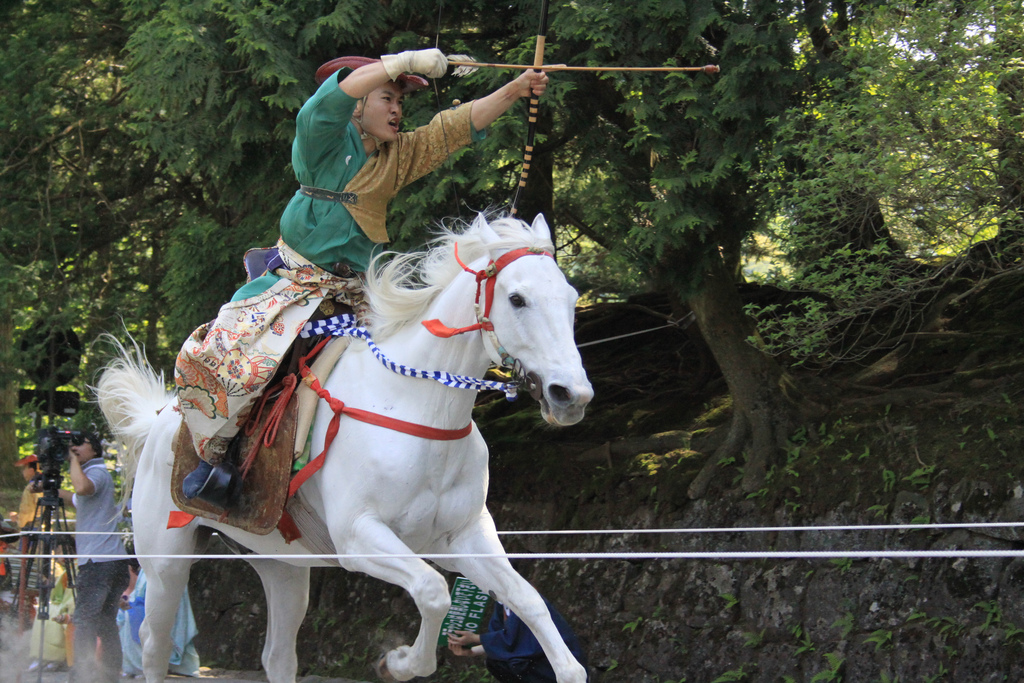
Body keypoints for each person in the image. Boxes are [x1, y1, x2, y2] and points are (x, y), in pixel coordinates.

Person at [176, 48, 549, 508]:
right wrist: (401, 60)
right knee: (237, 363)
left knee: (423, 357)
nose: (396, 109)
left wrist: (516, 88)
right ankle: (219, 460)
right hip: (293, 287)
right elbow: (325, 104)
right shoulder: (323, 141)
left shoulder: (397, 156)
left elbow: (453, 129)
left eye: (400, 102)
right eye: (386, 98)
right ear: (356, 105)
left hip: (359, 295)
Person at [52, 431, 131, 683]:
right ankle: (109, 677)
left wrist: (72, 459)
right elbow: (77, 497)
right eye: (72, 445)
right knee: (106, 624)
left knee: (84, 621)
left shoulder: (96, 472)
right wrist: (49, 488)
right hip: (112, 562)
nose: (74, 448)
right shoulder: (97, 474)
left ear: (94, 450)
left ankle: (80, 677)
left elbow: (82, 487)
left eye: (79, 444)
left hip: (98, 564)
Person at [448, 595, 589, 682]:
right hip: (535, 659)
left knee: (513, 663)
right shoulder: (501, 602)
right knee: (496, 662)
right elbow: (500, 640)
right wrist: (470, 652)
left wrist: (476, 638)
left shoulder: (523, 597)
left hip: (555, 662)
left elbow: (515, 640)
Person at [117, 562, 200, 677]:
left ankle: (156, 665)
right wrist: (127, 601)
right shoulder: (142, 569)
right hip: (140, 604)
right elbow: (131, 592)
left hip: (165, 600)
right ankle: (138, 666)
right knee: (126, 615)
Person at [15, 454, 42, 530]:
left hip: (32, 527)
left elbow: (26, 511)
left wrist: (19, 520)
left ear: (31, 470)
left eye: (24, 468)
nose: (22, 471)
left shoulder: (31, 487)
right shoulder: (45, 484)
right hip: (43, 525)